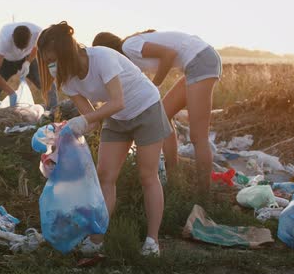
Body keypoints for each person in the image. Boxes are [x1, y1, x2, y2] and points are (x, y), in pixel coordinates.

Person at [38, 22, 172, 256]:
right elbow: (92, 120)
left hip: (146, 107)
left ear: (65, 53)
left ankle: (152, 241)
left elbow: (117, 100)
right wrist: (66, 133)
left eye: (53, 60)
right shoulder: (67, 80)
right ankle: (97, 238)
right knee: (105, 176)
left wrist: (84, 120)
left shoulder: (102, 58)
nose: (51, 66)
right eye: (47, 61)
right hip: (116, 117)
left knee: (147, 175)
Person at [93, 30, 222, 192]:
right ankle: (173, 176)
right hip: (196, 63)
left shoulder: (129, 46)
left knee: (198, 136)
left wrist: (155, 86)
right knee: (162, 116)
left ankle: (204, 195)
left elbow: (169, 54)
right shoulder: (129, 60)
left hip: (201, 60)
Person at [0, 22, 57, 109]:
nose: (21, 51)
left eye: (24, 48)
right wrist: (11, 92)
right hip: (5, 60)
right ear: (12, 37)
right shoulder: (4, 40)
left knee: (47, 83)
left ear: (31, 36)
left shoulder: (38, 33)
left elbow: (36, 47)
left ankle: (54, 112)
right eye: (18, 48)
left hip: (26, 57)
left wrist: (28, 62)